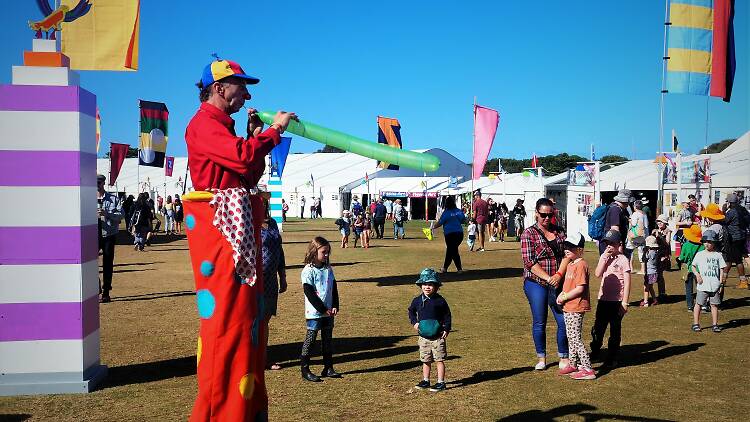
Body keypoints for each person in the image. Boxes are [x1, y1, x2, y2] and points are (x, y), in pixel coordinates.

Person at [183, 57, 297, 420]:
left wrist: (254, 136)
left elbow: (247, 168)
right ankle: (221, 411)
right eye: (240, 86)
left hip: (235, 232)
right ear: (219, 88)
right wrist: (273, 132)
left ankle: (245, 406)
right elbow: (243, 157)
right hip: (219, 235)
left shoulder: (224, 128)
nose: (247, 95)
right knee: (227, 323)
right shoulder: (203, 124)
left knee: (247, 319)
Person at [520, 198, 571, 371]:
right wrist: (548, 278)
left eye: (550, 215)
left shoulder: (560, 232)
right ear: (536, 213)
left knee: (564, 320)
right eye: (543, 215)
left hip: (558, 281)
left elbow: (567, 255)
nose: (547, 218)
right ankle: (541, 357)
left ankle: (563, 356)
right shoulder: (529, 234)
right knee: (540, 320)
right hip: (536, 282)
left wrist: (558, 275)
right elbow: (529, 262)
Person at [300, 236, 341, 382]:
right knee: (310, 339)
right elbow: (309, 293)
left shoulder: (328, 269)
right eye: (324, 252)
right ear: (314, 251)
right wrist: (322, 309)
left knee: (327, 340)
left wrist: (335, 305)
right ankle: (305, 369)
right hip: (315, 313)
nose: (326, 255)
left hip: (328, 312)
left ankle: (328, 367)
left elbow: (333, 288)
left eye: (328, 252)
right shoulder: (308, 271)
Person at [555, 232, 595, 380]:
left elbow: (580, 288)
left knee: (575, 338)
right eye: (566, 246)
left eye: (571, 247)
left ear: (580, 249)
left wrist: (565, 296)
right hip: (568, 306)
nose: (567, 249)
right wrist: (562, 295)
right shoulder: (571, 264)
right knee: (571, 337)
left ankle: (587, 368)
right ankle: (572, 363)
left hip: (576, 307)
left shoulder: (581, 264)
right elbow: (567, 285)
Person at [590, 230, 632, 367]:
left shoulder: (623, 260)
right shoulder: (605, 257)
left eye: (612, 243)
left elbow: (627, 282)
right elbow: (597, 274)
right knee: (598, 328)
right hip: (603, 300)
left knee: (615, 330)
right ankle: (595, 352)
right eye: (607, 243)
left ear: (619, 244)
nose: (609, 246)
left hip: (617, 301)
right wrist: (604, 257)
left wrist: (624, 303)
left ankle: (612, 357)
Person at [408, 268, 452, 393]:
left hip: (438, 336)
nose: (427, 287)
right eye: (425, 284)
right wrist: (414, 322)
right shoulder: (417, 300)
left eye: (431, 284)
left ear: (437, 286)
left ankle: (440, 382)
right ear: (421, 285)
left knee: (439, 359)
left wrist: (446, 328)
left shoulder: (440, 301)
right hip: (423, 337)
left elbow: (447, 315)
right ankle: (426, 380)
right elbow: (411, 311)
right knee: (425, 359)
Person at [261, 197, 287, 371]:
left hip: (271, 279)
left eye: (264, 204)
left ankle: (262, 358)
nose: (262, 207)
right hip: (254, 279)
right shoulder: (248, 222)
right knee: (255, 319)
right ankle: (252, 359)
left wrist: (282, 275)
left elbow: (279, 249)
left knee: (265, 319)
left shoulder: (272, 223)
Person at [691, 230, 729, 333]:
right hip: (702, 285)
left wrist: (721, 283)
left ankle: (715, 324)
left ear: (714, 243)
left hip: (715, 285)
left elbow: (722, 269)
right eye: (705, 241)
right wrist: (697, 274)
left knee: (714, 305)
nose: (707, 244)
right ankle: (695, 323)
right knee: (698, 304)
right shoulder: (699, 254)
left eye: (710, 242)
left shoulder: (718, 255)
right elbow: (693, 266)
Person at [96, 174, 122, 303]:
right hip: (92, 235)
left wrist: (107, 214)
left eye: (99, 182)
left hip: (109, 235)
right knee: (90, 264)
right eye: (95, 182)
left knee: (107, 264)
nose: (97, 184)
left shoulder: (113, 199)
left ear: (103, 183)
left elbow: (120, 215)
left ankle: (106, 291)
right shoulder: (86, 199)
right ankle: (96, 287)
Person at [432, 196, 466, 273]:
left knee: (452, 250)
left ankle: (459, 269)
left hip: (449, 234)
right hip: (459, 233)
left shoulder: (446, 212)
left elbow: (440, 223)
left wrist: (433, 227)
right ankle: (445, 268)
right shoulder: (458, 211)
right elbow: (463, 220)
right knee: (451, 250)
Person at [722, 193, 749, 289]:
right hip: (742, 236)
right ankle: (723, 279)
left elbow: (724, 221)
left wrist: (724, 211)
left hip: (733, 238)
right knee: (731, 258)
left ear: (729, 202)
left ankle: (743, 281)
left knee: (736, 260)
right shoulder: (743, 209)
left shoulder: (731, 212)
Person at [678, 224, 704, 312]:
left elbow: (682, 258)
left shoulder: (686, 245)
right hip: (699, 270)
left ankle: (690, 306)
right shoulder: (702, 246)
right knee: (700, 288)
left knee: (688, 288)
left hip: (688, 269)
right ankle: (702, 305)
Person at [600, 189, 633, 257]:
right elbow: (615, 229)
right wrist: (619, 246)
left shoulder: (616, 208)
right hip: (611, 246)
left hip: (611, 244)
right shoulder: (616, 210)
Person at [627, 200, 648, 274]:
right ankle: (643, 269)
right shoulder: (644, 214)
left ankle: (630, 268)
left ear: (635, 206)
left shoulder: (635, 214)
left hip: (634, 235)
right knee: (641, 252)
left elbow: (633, 224)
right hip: (643, 236)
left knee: (630, 250)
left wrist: (629, 220)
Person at [674, 198, 696, 269]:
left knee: (688, 246)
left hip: (689, 231)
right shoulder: (681, 212)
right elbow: (677, 222)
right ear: (683, 204)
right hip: (682, 231)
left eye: (689, 203)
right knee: (682, 247)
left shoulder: (690, 211)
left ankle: (685, 261)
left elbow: (691, 221)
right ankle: (680, 261)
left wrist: (694, 223)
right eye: (687, 203)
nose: (688, 204)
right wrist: (685, 223)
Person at [640, 236, 660, 307]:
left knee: (646, 287)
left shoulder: (649, 253)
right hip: (654, 272)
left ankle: (646, 302)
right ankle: (655, 300)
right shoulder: (656, 252)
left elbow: (643, 259)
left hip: (649, 273)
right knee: (650, 287)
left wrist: (644, 251)